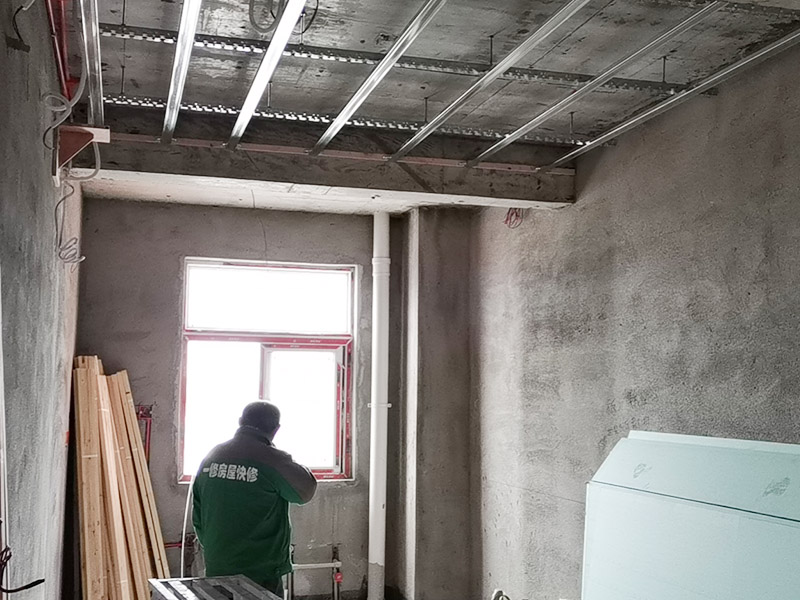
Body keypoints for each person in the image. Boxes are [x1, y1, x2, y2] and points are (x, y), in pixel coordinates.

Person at [192, 402, 317, 597]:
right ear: (276, 429)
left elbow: (198, 514)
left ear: (240, 421)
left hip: (218, 564)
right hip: (260, 570)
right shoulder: (272, 459)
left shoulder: (212, 456)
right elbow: (305, 491)